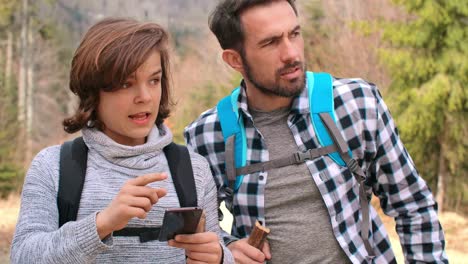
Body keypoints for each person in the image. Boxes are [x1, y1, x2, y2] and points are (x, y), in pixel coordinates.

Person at [184, 0, 448, 263]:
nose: (291, 54)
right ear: (235, 59)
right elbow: (194, 233)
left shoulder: (356, 103)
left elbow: (412, 204)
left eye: (294, 34)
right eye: (270, 43)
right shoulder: (208, 135)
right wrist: (226, 248)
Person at [11, 18, 233, 264]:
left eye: (154, 80)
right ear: (93, 91)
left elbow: (217, 248)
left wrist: (220, 258)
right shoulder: (53, 167)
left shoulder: (194, 169)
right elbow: (23, 256)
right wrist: (102, 224)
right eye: (126, 84)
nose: (145, 97)